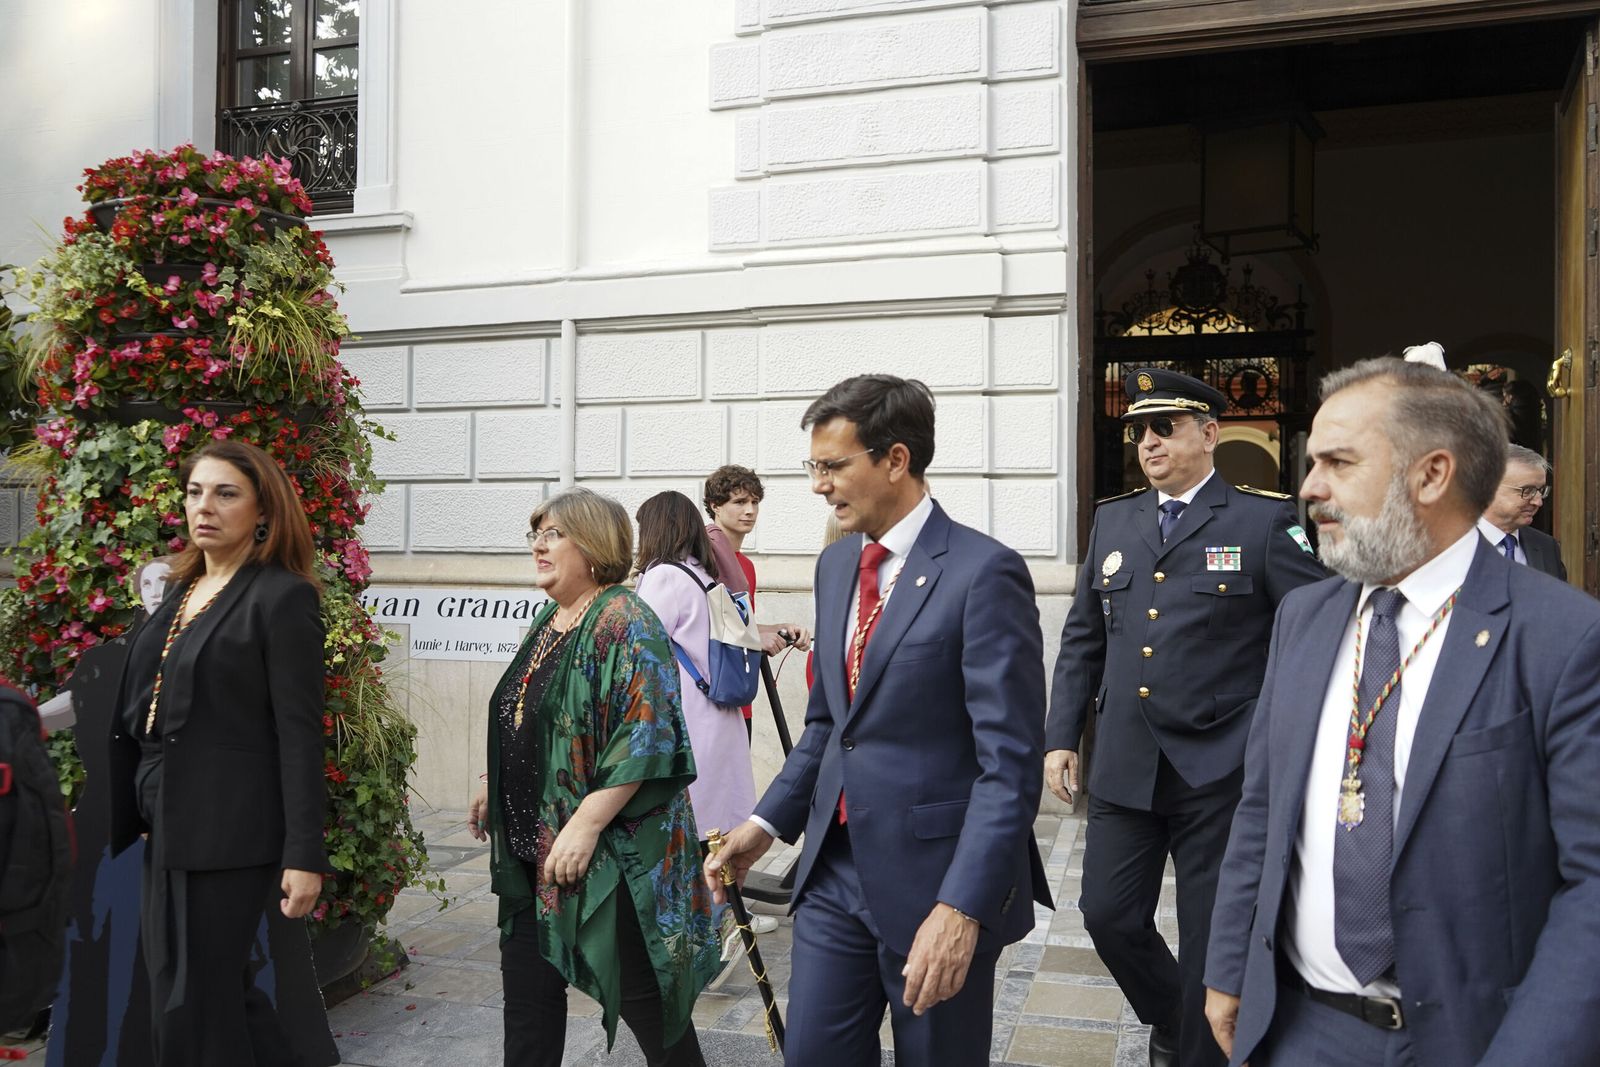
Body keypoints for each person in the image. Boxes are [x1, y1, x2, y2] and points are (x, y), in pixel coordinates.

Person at [1204, 357, 1600, 1066]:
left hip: (1473, 1043)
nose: (1309, 487)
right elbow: (1261, 808)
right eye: (1311, 462)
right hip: (1297, 1028)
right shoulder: (1304, 614)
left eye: (1338, 462)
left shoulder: (1561, 639)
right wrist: (1229, 967)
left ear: (1431, 475)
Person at [705, 375, 1051, 1065]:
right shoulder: (836, 566)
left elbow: (1008, 766)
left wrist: (962, 907)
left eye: (833, 466)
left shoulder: (986, 573)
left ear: (896, 459)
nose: (817, 484)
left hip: (937, 883)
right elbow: (830, 725)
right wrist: (764, 825)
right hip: (833, 873)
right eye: (814, 466)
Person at [1045, 367, 1325, 1067]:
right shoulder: (1116, 517)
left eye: (1164, 426)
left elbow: (1316, 628)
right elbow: (1083, 635)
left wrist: (1280, 733)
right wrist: (1059, 737)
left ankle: (1199, 1053)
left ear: (1209, 432)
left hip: (1221, 767)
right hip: (1126, 762)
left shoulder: (1264, 519)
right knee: (1107, 915)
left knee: (1209, 938)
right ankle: (1177, 1017)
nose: (1148, 441)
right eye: (1139, 430)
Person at [466, 487, 719, 1067]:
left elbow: (645, 732)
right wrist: (492, 776)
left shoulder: (626, 619)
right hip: (535, 851)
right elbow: (529, 713)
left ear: (594, 545)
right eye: (535, 534)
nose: (538, 546)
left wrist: (584, 823)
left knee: (651, 1009)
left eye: (553, 534)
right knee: (527, 1005)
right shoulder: (549, 619)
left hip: (611, 857)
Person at [106, 439, 328, 1066]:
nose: (204, 506)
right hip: (166, 828)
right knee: (191, 994)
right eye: (195, 491)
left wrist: (304, 855)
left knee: (195, 1002)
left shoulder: (282, 597)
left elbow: (299, 732)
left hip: (232, 832)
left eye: (225, 493)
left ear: (263, 511)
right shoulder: (182, 591)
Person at [633, 490, 757, 842]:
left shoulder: (663, 576)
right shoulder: (703, 573)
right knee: (718, 823)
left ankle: (699, 897)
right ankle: (721, 894)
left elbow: (642, 646)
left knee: (690, 825)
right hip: (718, 704)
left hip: (688, 711)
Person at [703, 464, 813, 661]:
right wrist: (753, 640)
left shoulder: (747, 566)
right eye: (740, 502)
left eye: (755, 502)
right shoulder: (702, 555)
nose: (750, 511)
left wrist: (780, 628)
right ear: (715, 506)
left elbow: (742, 625)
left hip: (735, 678)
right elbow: (700, 625)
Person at [1477, 442, 1566, 580]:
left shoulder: (1546, 546)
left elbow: (1559, 600)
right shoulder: (1447, 545)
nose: (1538, 502)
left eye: (1540, 490)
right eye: (1528, 490)